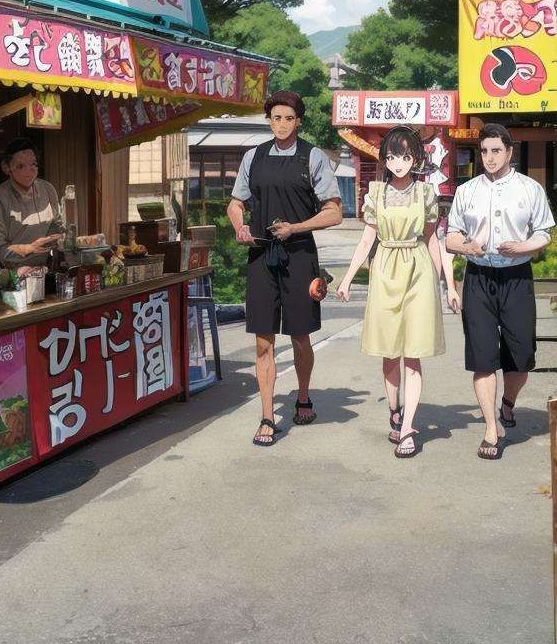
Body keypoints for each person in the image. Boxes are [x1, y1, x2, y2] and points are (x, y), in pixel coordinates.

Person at [226, 90, 342, 448]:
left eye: (288, 118)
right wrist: (239, 226)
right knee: (263, 341)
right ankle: (266, 416)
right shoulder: (253, 157)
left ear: (299, 121)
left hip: (300, 257)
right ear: (269, 120)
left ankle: (303, 395)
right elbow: (235, 203)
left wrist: (295, 227)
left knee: (300, 335)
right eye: (275, 118)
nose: (281, 124)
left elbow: (334, 211)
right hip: (261, 256)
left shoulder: (313, 157)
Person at [446, 123, 554, 460]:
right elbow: (449, 237)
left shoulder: (529, 189)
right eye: (485, 151)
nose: (490, 158)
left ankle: (508, 404)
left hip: (517, 278)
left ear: (509, 151)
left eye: (496, 151)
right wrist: (467, 246)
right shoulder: (467, 191)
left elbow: (545, 233)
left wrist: (522, 246)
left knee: (521, 358)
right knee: (483, 358)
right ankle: (492, 427)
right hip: (478, 279)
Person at [336, 127, 446, 459]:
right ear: (385, 159)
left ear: (416, 159)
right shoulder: (377, 193)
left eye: (406, 156)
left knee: (412, 353)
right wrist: (347, 278)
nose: (399, 163)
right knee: (389, 354)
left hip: (418, 270)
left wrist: (444, 282)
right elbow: (367, 240)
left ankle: (409, 426)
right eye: (393, 156)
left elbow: (432, 240)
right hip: (385, 269)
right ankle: (395, 412)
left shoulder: (426, 194)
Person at [0, 139, 64, 271]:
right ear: (6, 167)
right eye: (20, 166)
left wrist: (59, 238)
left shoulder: (48, 189)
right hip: (13, 273)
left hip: (45, 269)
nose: (28, 171)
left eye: (33, 164)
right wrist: (29, 249)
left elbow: (56, 224)